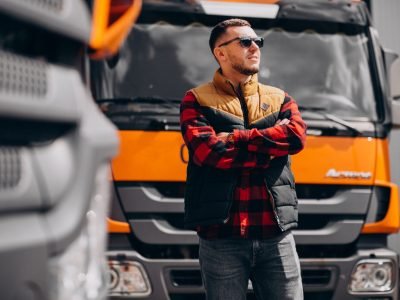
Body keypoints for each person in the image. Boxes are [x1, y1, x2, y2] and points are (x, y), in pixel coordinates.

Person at [180, 18, 307, 300]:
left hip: (277, 237)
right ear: (221, 53)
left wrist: (238, 138)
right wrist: (271, 150)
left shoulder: (280, 98)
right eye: (245, 41)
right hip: (221, 239)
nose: (255, 47)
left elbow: (296, 138)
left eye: (257, 41)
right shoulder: (196, 100)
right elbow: (210, 154)